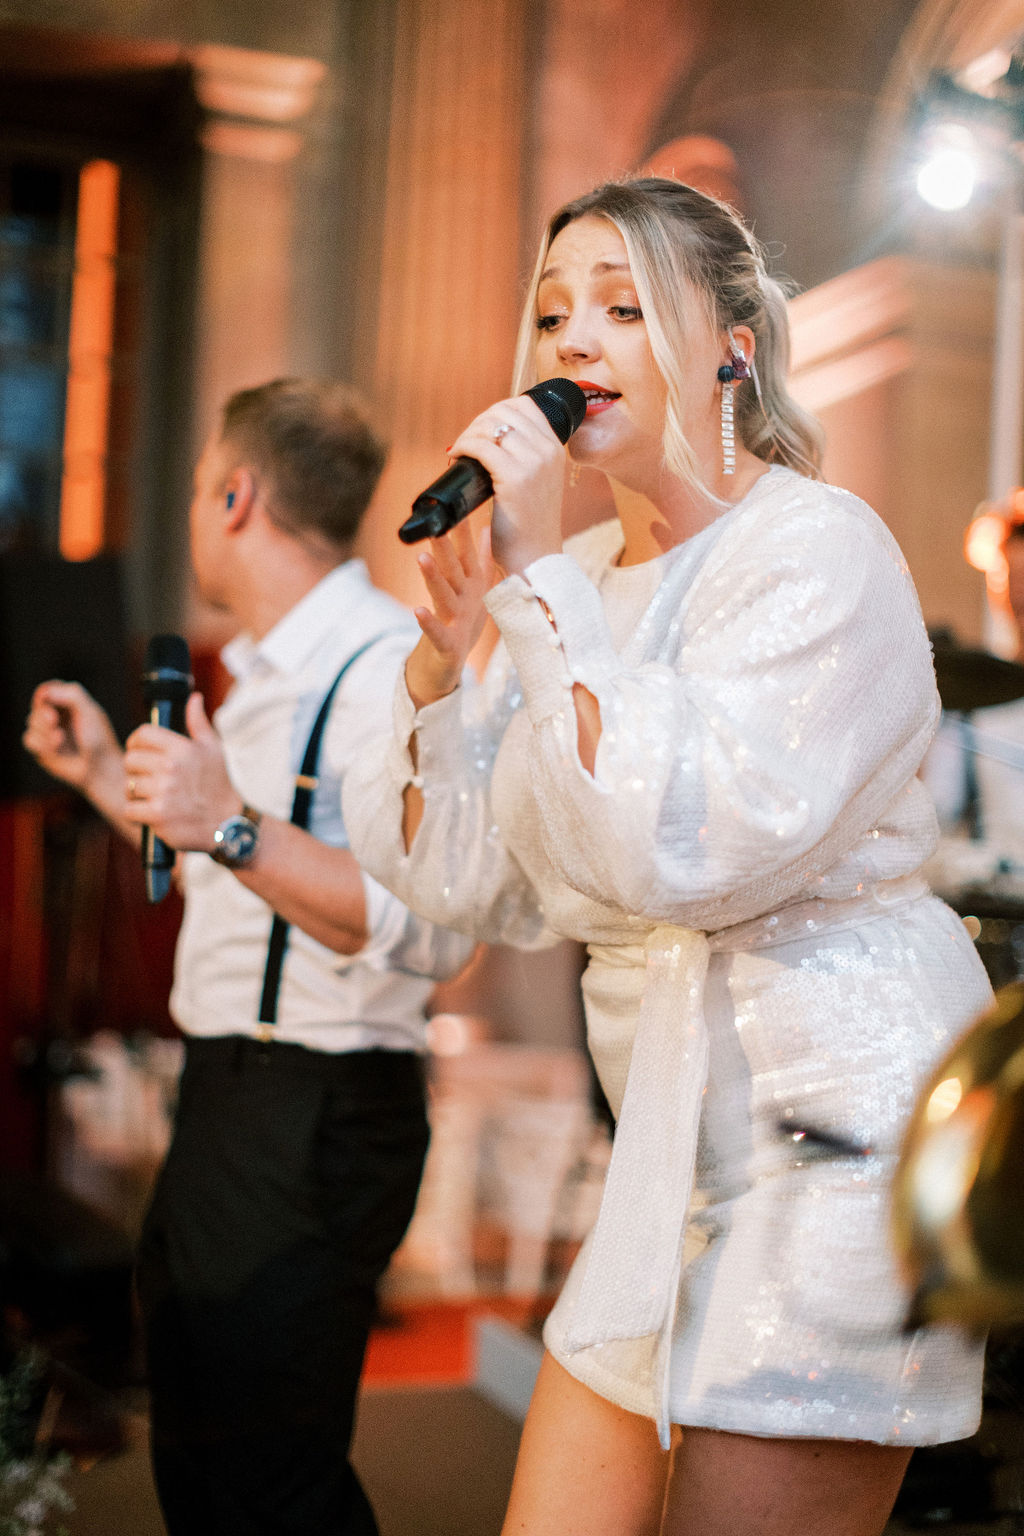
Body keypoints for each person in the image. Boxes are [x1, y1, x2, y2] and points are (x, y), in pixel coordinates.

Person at [341, 178, 995, 1536]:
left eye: (625, 308)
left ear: (732, 349)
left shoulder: (819, 549)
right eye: (553, 312)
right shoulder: (579, 577)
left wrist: (535, 593)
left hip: (835, 1137)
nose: (573, 343)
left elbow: (683, 847)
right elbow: (481, 885)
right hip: (662, 1160)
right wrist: (445, 655)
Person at [23, 378, 474, 1536]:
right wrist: (96, 778)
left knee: (275, 1484)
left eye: (194, 489)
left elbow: (424, 924)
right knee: (206, 1464)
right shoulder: (266, 669)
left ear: (235, 495)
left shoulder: (388, 667)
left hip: (315, 1108)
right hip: (232, 1097)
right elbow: (247, 866)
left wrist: (225, 821)